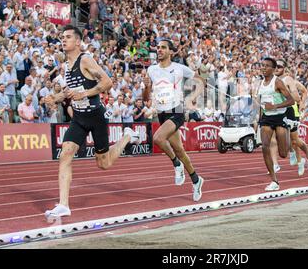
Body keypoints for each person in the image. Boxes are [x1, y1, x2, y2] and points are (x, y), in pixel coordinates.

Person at [44, 25, 140, 218]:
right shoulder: (66, 66)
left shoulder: (85, 60)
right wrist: (56, 98)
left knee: (103, 164)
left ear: (78, 42)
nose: (64, 40)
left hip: (95, 117)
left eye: (68, 37)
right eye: (62, 37)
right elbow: (71, 91)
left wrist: (84, 94)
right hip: (79, 118)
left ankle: (127, 136)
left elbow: (107, 82)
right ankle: (64, 204)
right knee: (65, 155)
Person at [143, 38, 205, 202]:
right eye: (158, 47)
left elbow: (200, 81)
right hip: (162, 112)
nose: (159, 50)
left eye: (163, 47)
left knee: (157, 138)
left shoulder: (179, 68)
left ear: (171, 51)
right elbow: (146, 98)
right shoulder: (151, 70)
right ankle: (196, 180)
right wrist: (146, 87)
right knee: (179, 150)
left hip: (177, 110)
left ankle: (177, 164)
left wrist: (193, 97)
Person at [257, 58, 294, 191]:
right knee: (265, 146)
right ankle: (274, 180)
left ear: (273, 69)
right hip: (267, 118)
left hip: (279, 117)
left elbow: (291, 100)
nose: (264, 68)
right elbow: (262, 103)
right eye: (263, 65)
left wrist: (275, 106)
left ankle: (288, 133)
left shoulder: (277, 82)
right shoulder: (260, 83)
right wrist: (259, 119)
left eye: (267, 66)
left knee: (283, 153)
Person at [274, 59, 308, 176]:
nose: (277, 68)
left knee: (295, 140)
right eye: (275, 66)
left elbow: (304, 92)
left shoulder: (291, 81)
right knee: (279, 135)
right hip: (280, 111)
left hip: (292, 111)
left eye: (280, 67)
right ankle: (294, 155)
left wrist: (302, 106)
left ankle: (306, 155)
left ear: (285, 69)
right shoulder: (274, 81)